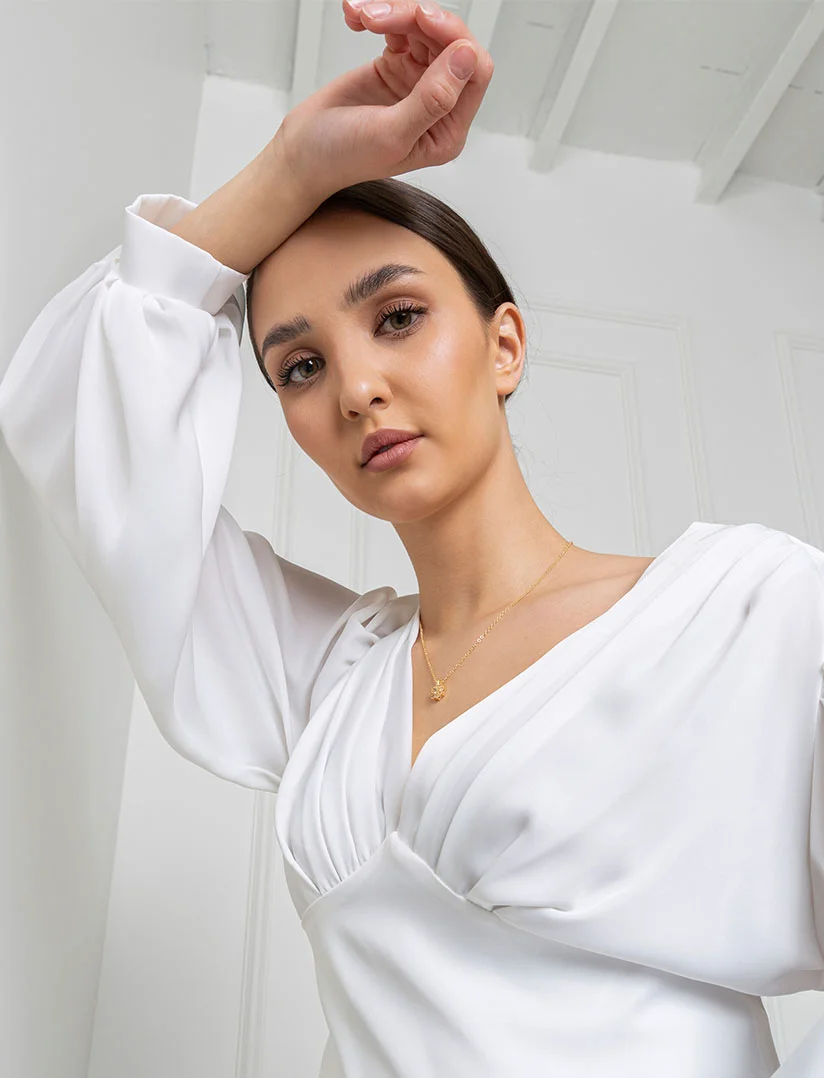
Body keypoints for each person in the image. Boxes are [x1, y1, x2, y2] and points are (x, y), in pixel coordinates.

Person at [1, 1, 823, 1074]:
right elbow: (74, 422)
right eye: (299, 367)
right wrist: (290, 165)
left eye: (394, 317)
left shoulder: (742, 616)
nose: (355, 388)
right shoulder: (325, 683)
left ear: (503, 346)